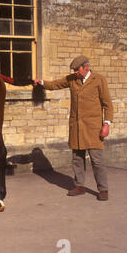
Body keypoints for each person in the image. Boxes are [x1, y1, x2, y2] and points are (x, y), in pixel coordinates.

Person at [34, 55, 114, 201]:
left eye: (78, 69)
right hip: (76, 126)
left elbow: (107, 104)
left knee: (97, 160)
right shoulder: (72, 79)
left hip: (93, 128)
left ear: (86, 67)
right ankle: (79, 186)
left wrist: (107, 124)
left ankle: (103, 189)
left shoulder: (99, 80)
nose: (76, 72)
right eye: (74, 70)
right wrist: (41, 82)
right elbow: (55, 84)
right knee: (77, 158)